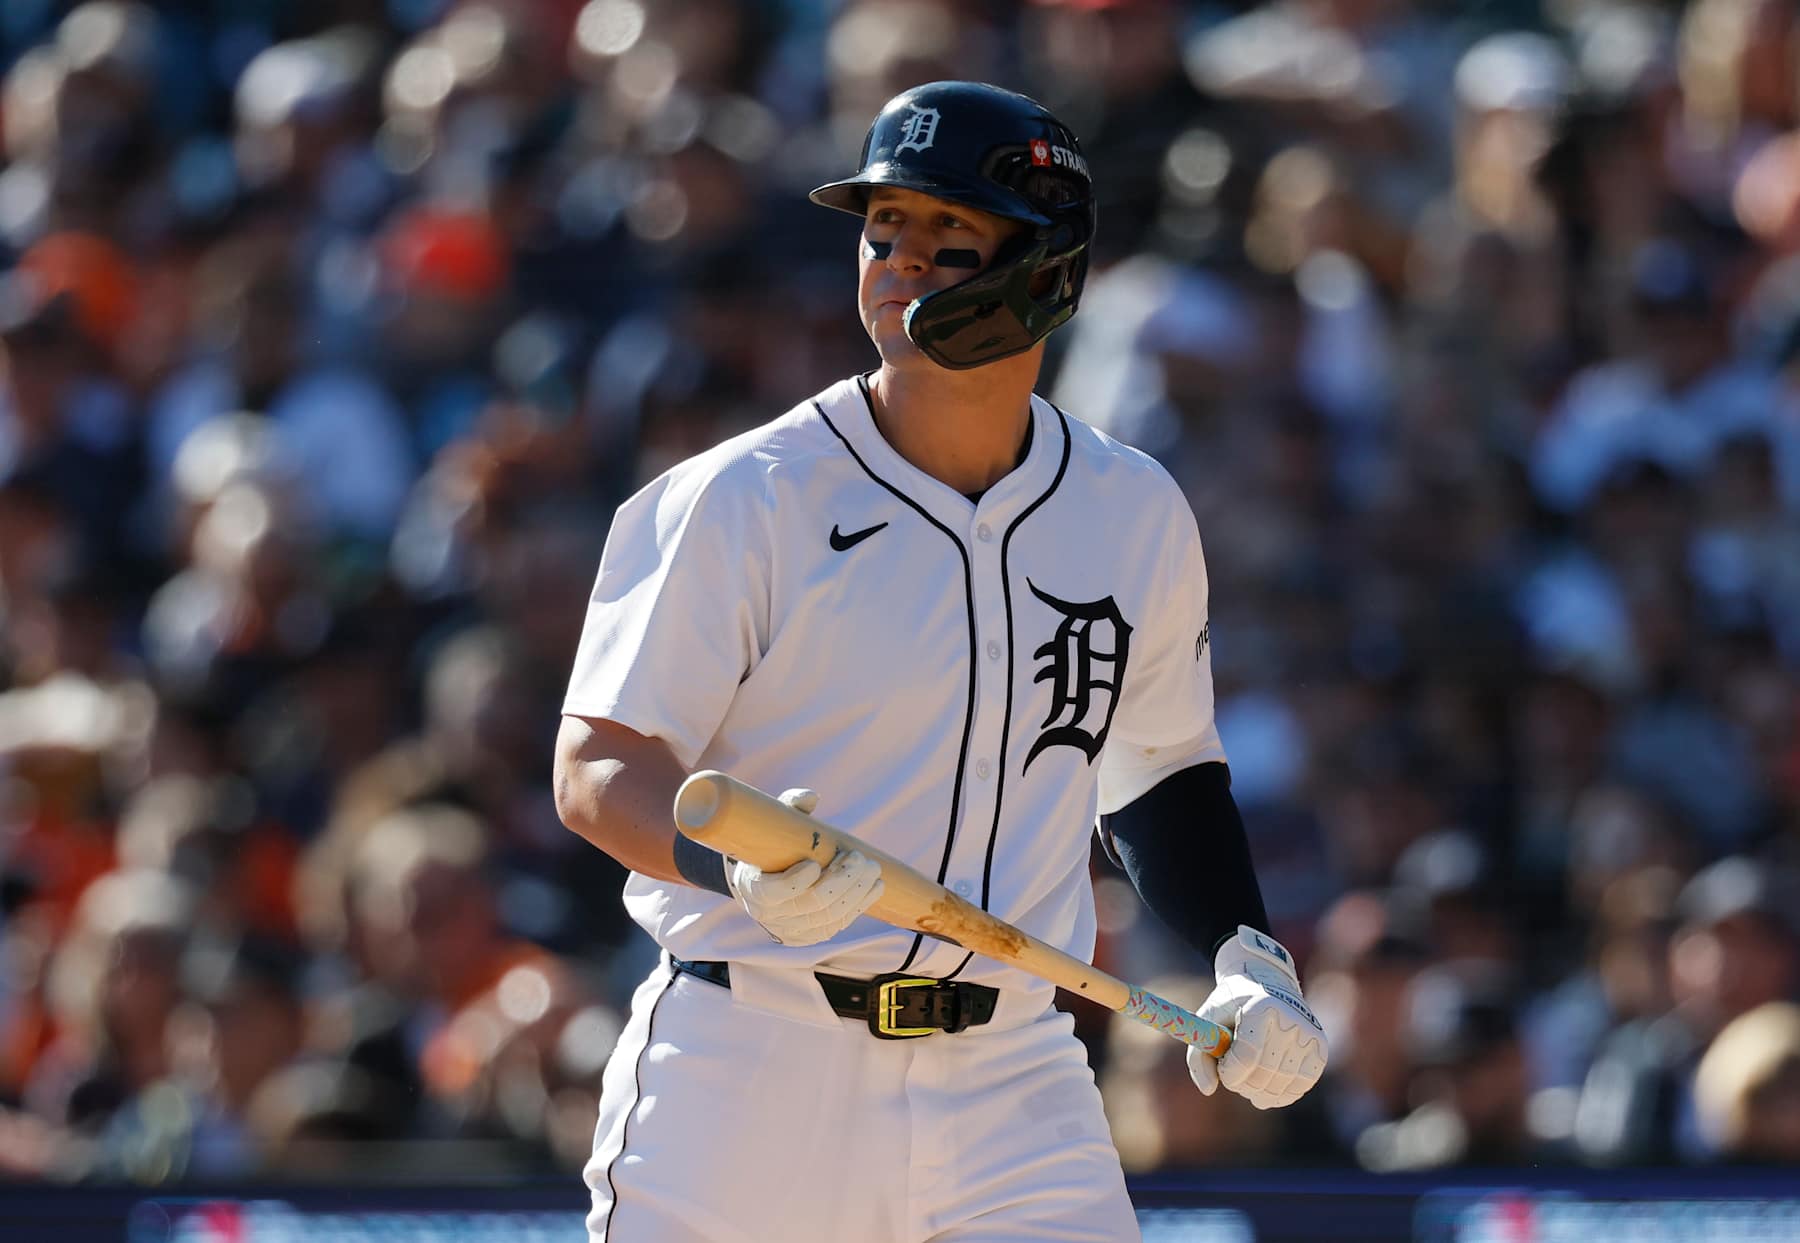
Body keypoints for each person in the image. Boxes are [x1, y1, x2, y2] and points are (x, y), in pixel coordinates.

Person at [554, 81, 1328, 1242]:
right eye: (884, 229)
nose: (899, 263)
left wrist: (1245, 953)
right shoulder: (748, 495)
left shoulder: (1130, 508)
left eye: (947, 237)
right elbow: (597, 761)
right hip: (755, 1060)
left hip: (1013, 1073)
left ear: (1048, 267)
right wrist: (734, 874)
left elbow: (1161, 768)